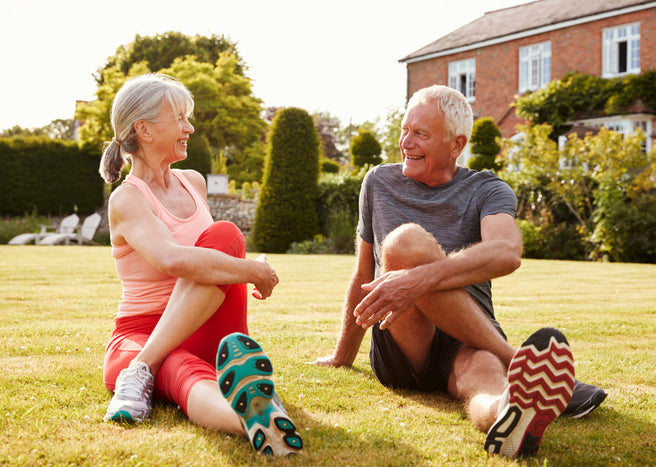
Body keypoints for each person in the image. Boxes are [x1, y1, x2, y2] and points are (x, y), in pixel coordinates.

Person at [314, 85, 606, 458]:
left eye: (421, 134)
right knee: (406, 243)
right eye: (405, 130)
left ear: (456, 144)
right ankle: (512, 355)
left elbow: (507, 252)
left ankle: (509, 415)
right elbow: (362, 275)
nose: (406, 142)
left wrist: (418, 280)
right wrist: (342, 355)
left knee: (487, 380)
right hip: (402, 341)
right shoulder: (378, 182)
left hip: (469, 339)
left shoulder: (487, 189)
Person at [99, 73, 302, 456]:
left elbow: (209, 257)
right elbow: (172, 259)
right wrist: (252, 270)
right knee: (178, 368)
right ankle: (255, 421)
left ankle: (142, 371)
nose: (189, 128)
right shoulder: (127, 200)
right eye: (179, 118)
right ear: (143, 129)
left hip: (207, 326)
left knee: (225, 235)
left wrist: (239, 265)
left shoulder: (194, 182)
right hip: (141, 334)